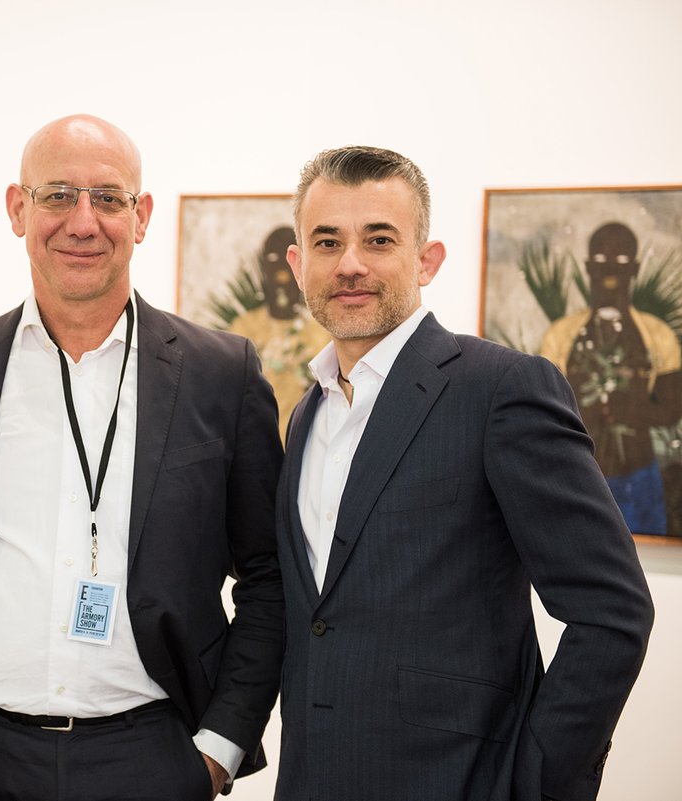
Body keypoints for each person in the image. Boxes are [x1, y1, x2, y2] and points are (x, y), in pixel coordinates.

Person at [0, 114, 284, 801]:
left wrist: (218, 749)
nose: (83, 222)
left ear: (142, 217)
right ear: (18, 208)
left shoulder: (220, 373)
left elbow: (269, 573)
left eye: (108, 197)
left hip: (152, 756)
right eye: (57, 196)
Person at [276, 146, 654, 801]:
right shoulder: (306, 412)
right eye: (327, 241)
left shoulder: (501, 388)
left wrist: (534, 780)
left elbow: (612, 612)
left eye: (380, 239)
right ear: (297, 262)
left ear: (427, 259)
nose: (351, 263)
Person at [540, 221, 682, 534]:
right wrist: (585, 413)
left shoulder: (657, 335)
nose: (610, 273)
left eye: (620, 263)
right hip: (573, 476)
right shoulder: (561, 335)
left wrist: (631, 409)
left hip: (639, 476)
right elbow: (541, 410)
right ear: (589, 267)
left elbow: (672, 410)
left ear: (634, 269)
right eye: (602, 262)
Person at [226, 224, 330, 422]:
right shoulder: (243, 328)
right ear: (264, 268)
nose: (281, 273)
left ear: (299, 266)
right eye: (273, 261)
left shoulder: (321, 331)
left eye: (286, 262)